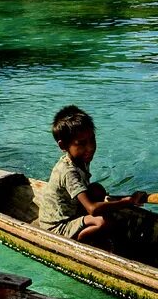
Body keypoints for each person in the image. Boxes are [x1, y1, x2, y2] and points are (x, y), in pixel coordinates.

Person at [37, 105, 145, 249]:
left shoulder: (81, 159)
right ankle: (82, 242)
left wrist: (123, 200)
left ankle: (86, 229)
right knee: (103, 222)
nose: (90, 147)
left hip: (71, 213)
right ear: (63, 146)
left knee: (97, 189)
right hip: (57, 227)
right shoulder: (69, 172)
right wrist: (128, 202)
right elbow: (92, 209)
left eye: (92, 140)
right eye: (81, 144)